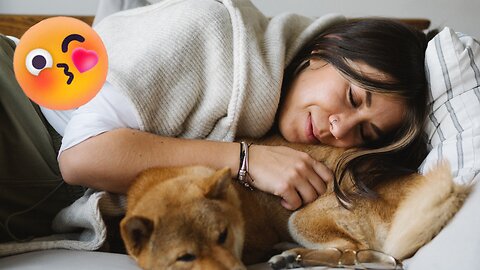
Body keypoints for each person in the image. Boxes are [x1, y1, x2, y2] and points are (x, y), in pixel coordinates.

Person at [0, 0, 430, 243]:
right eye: (353, 97)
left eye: (365, 131)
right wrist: (245, 159)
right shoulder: (214, 31)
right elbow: (82, 156)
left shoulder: (272, 113)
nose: (340, 129)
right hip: (19, 106)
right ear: (324, 50)